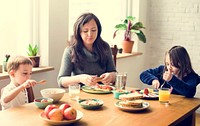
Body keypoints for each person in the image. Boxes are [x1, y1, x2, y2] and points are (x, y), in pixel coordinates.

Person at [57, 12, 116, 88]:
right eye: (85, 31)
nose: (90, 34)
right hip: (78, 95)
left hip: (102, 93)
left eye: (94, 30)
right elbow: (61, 81)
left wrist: (111, 76)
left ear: (98, 30)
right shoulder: (70, 50)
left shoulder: (105, 47)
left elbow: (114, 73)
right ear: (79, 32)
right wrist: (80, 78)